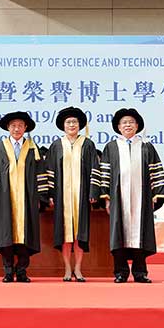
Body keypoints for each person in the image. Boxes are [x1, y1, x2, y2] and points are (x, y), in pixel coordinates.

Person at [90, 108, 164, 283]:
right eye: (124, 123)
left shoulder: (146, 146)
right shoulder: (111, 147)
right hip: (119, 199)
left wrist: (155, 196)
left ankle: (140, 272)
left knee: (141, 234)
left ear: (137, 126)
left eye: (131, 122)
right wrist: (107, 198)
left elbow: (156, 172)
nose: (128, 125)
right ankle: (121, 272)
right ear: (118, 127)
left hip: (142, 199)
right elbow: (105, 174)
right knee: (119, 235)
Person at [0, 111, 48, 283]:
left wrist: (40, 198)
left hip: (27, 200)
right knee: (6, 236)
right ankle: (8, 271)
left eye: (20, 126)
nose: (16, 129)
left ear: (25, 128)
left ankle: (22, 270)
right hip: (5, 199)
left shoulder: (33, 149)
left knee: (26, 237)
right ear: (8, 128)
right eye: (13, 126)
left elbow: (41, 175)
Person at [46, 107, 98, 282]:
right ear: (63, 125)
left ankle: (78, 268)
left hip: (82, 196)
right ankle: (67, 268)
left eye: (74, 122)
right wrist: (51, 194)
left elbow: (94, 170)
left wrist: (93, 192)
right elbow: (49, 171)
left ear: (80, 125)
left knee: (79, 234)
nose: (71, 125)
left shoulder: (88, 144)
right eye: (68, 122)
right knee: (65, 234)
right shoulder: (56, 145)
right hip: (62, 198)